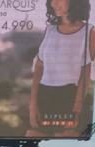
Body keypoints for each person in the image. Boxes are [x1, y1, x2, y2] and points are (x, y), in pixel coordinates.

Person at [28, 0, 95, 137]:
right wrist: (33, 105)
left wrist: (76, 110)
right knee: (32, 139)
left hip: (71, 95)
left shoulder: (90, 31)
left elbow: (86, 72)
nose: (53, 4)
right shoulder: (50, 30)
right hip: (44, 94)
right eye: (51, 0)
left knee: (63, 143)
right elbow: (39, 66)